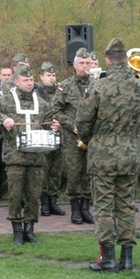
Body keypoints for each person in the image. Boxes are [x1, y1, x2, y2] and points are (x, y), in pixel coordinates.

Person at [76, 37, 140, 271]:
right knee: (126, 205)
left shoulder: (98, 86)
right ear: (125, 59)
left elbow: (83, 122)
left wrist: (92, 136)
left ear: (107, 60)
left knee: (103, 206)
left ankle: (108, 258)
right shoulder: (139, 86)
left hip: (103, 154)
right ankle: (127, 258)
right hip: (131, 152)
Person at [0, 64, 60, 244]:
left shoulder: (41, 102)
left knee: (34, 195)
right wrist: (4, 119)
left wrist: (55, 126)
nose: (29, 83)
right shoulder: (7, 100)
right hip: (15, 156)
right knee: (15, 195)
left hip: (36, 157)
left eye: (31, 80)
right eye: (25, 80)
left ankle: (30, 229)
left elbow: (51, 121)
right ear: (16, 82)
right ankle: (17, 229)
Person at [53, 47, 94, 225]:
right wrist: (71, 125)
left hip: (93, 137)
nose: (84, 66)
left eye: (88, 63)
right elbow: (55, 109)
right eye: (81, 63)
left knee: (89, 173)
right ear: (75, 64)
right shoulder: (66, 85)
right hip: (72, 139)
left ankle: (86, 209)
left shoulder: (97, 83)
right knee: (74, 173)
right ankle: (75, 210)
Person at [36, 61, 65, 216]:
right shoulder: (37, 92)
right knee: (44, 171)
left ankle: (54, 201)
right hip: (43, 136)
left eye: (53, 75)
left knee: (56, 170)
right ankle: (44, 203)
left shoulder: (60, 92)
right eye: (48, 75)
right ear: (41, 76)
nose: (52, 78)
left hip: (58, 135)